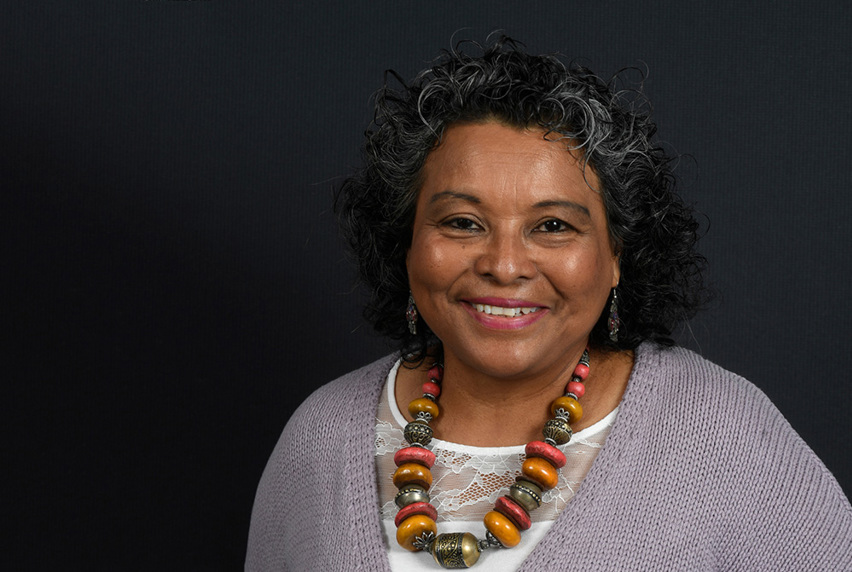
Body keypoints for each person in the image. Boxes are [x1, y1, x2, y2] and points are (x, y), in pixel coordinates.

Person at [246, 38, 852, 570]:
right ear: (405, 246)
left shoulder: (721, 436)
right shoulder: (321, 439)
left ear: (617, 254)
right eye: (461, 221)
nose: (504, 265)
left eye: (554, 226)